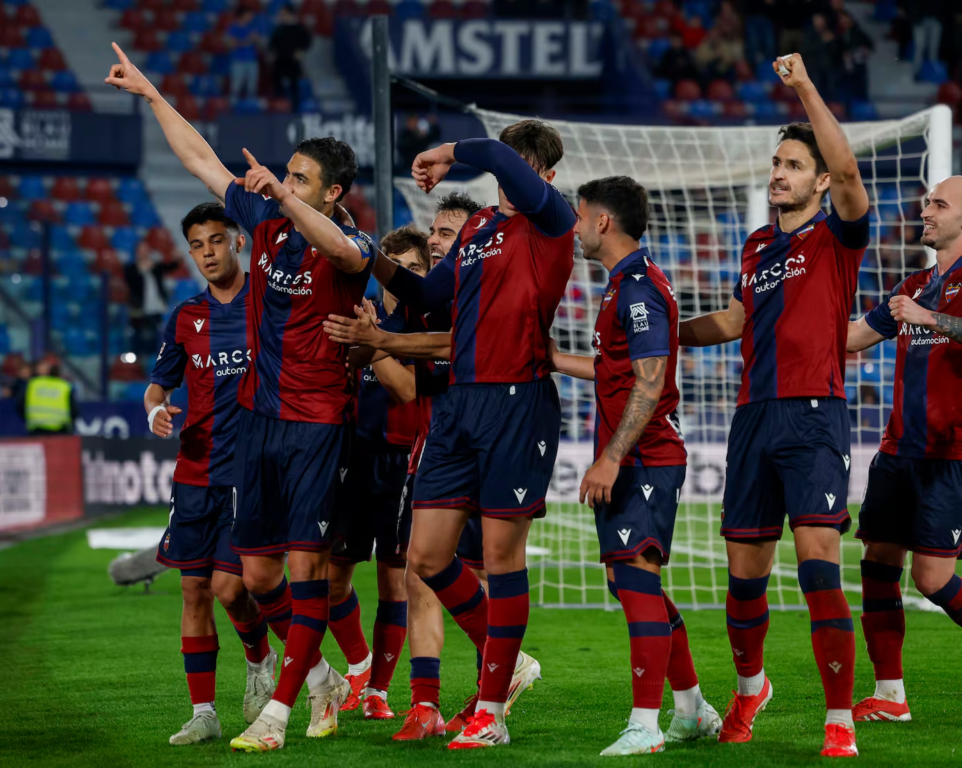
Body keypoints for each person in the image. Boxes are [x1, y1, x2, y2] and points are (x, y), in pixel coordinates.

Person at [107, 42, 378, 753]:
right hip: (257, 423)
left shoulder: (350, 243)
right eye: (284, 172)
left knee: (305, 567)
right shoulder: (265, 224)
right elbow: (201, 160)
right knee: (255, 576)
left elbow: (346, 256)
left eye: (299, 178)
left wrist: (284, 198)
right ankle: (319, 675)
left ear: (332, 193)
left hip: (318, 425)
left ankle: (281, 712)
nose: (281, 182)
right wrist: (153, 95)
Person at [359, 121, 575, 748]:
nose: (507, 177)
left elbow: (488, 156)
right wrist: (365, 255)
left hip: (518, 401)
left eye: (520, 167)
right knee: (423, 560)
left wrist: (444, 153)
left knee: (503, 560)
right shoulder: (479, 229)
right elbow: (429, 291)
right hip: (460, 406)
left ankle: (491, 712)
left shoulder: (551, 222)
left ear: (544, 178)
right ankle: (507, 658)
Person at [678, 54, 870, 757]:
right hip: (752, 418)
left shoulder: (840, 234)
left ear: (820, 179)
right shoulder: (758, 245)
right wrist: (661, 331)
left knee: (818, 566)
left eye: (792, 163)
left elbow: (851, 176)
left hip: (814, 414)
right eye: (775, 162)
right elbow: (731, 323)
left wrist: (804, 87)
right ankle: (752, 685)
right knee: (742, 587)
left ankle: (840, 718)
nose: (776, 173)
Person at [324, 193, 543, 740]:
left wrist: (378, 342)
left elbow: (409, 378)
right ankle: (429, 702)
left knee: (482, 573)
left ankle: (491, 689)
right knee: (424, 575)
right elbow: (408, 375)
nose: (441, 241)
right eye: (437, 233)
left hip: (485, 443)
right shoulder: (430, 304)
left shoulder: (478, 301)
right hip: (437, 450)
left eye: (450, 234)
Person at [549, 176, 721, 756]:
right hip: (638, 454)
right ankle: (693, 708)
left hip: (645, 456)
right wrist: (552, 359)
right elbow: (615, 370)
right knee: (629, 580)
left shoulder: (638, 290)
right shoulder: (623, 284)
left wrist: (610, 458)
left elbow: (649, 384)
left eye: (579, 217)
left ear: (603, 221)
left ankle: (646, 725)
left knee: (636, 578)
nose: (573, 229)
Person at [146, 202, 278, 746]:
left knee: (231, 586)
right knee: (194, 589)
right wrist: (154, 409)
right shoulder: (184, 317)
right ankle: (203, 713)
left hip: (252, 469)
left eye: (216, 241)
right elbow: (161, 383)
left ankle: (260, 658)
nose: (207, 253)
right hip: (195, 469)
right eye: (197, 245)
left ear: (238, 244)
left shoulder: (269, 304)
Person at [845, 176, 962, 723]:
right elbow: (850, 337)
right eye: (927, 202)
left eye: (939, 203)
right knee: (877, 564)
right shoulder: (913, 282)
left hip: (951, 456)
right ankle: (890, 695)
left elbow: (934, 325)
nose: (926, 210)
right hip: (898, 453)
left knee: (932, 579)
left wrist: (930, 319)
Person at [326, 226, 431, 719]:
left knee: (395, 583)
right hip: (350, 457)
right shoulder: (356, 315)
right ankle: (359, 665)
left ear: (426, 273)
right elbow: (340, 372)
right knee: (331, 578)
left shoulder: (424, 326)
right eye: (391, 267)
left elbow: (409, 392)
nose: (399, 277)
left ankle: (378, 694)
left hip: (399, 462)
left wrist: (376, 342)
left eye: (412, 268)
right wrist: (364, 342)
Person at [124, 243, 180, 356]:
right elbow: (131, 282)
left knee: (156, 333)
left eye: (146, 250)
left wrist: (177, 258)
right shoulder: (131, 268)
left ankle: (155, 357)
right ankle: (138, 357)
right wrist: (142, 270)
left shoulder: (155, 267)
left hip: (156, 306)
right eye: (141, 250)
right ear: (137, 253)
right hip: (139, 307)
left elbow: (170, 267)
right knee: (139, 333)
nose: (144, 253)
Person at [268, 5, 311, 109]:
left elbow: (307, 41)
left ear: (290, 15)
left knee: (294, 84)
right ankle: (280, 105)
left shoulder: (299, 28)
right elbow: (272, 44)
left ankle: (295, 107)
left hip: (293, 61)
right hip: (280, 60)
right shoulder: (279, 29)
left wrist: (301, 51)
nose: (281, 16)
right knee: (276, 82)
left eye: (284, 14)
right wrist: (272, 53)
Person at [23, 358, 77, 434]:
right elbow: (74, 411)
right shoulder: (64, 386)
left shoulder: (32, 384)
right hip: (59, 430)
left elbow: (20, 404)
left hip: (37, 429)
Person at [228, 6, 261, 99]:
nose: (251, 16)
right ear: (242, 15)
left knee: (252, 86)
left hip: (252, 60)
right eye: (249, 14)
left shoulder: (252, 28)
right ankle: (232, 106)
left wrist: (257, 41)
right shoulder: (233, 28)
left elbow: (258, 46)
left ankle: (251, 106)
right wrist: (247, 40)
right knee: (236, 85)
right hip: (238, 60)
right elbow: (231, 44)